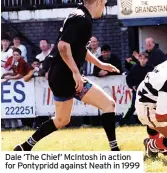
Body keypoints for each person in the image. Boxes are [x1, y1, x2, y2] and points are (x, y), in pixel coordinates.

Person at [14, 0, 121, 151]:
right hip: (66, 78)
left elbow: (78, 48)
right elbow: (63, 46)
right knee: (108, 104)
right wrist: (76, 73)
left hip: (59, 77)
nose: (103, 8)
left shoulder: (78, 13)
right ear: (97, 2)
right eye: (104, 4)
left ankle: (25, 147)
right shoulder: (82, 19)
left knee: (61, 119)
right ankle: (115, 151)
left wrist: (100, 65)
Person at [117, 52, 154, 126]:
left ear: (147, 60)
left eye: (144, 59)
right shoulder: (135, 67)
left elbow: (155, 77)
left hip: (148, 90)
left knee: (150, 106)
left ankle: (150, 121)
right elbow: (128, 78)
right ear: (139, 59)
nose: (142, 60)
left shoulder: (151, 68)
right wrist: (132, 86)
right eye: (141, 59)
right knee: (133, 106)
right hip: (137, 90)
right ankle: (123, 121)